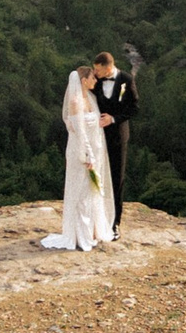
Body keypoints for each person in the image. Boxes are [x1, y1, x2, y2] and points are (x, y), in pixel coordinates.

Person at [41, 66, 116, 251]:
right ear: (84, 81)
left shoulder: (89, 98)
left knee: (92, 191)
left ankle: (93, 230)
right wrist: (88, 155)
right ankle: (81, 234)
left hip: (93, 151)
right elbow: (80, 133)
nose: (95, 81)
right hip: (81, 153)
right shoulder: (75, 102)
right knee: (82, 193)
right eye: (92, 78)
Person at [91, 51, 138, 229]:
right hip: (98, 136)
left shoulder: (126, 79)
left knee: (117, 179)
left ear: (109, 67)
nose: (95, 73)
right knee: (98, 176)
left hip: (118, 137)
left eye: (98, 69)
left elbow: (134, 108)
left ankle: (115, 222)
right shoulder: (96, 81)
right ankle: (98, 218)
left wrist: (113, 119)